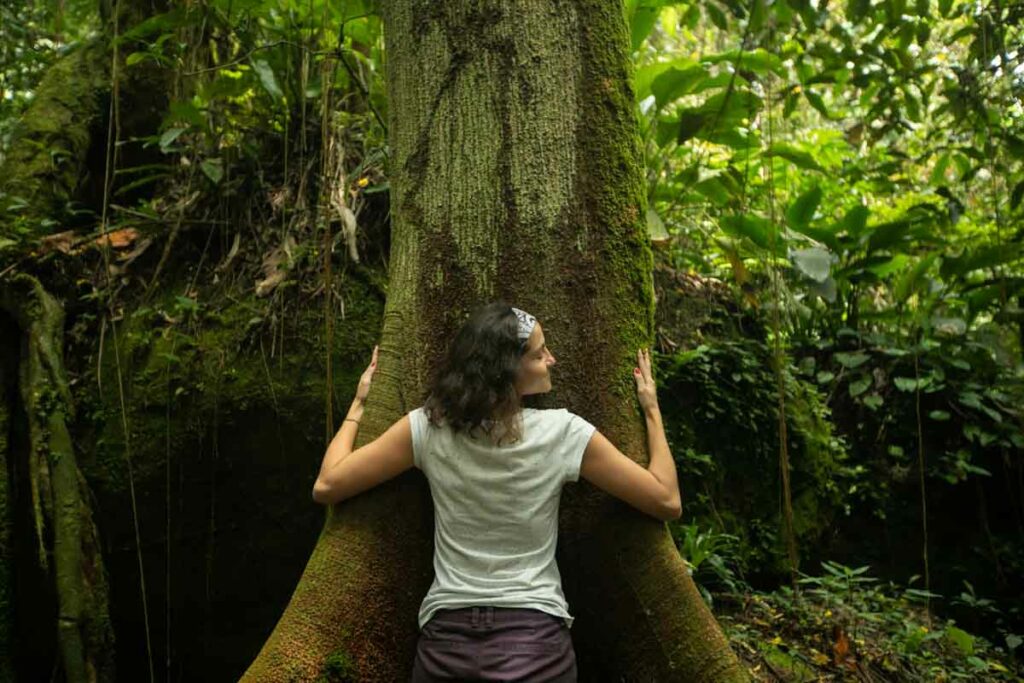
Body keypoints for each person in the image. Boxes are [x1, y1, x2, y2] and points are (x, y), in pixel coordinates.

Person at [312, 302, 682, 682]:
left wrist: (359, 405)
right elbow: (666, 500)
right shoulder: (564, 433)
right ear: (508, 370)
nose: (552, 359)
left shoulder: (428, 428)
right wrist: (652, 412)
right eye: (540, 354)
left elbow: (328, 485)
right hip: (534, 641)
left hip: (447, 644)